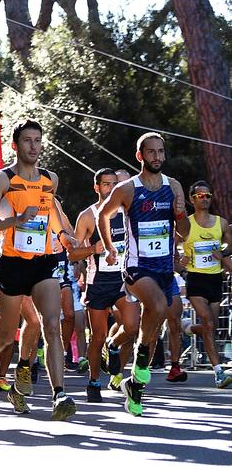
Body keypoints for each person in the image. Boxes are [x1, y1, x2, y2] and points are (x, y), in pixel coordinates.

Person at [0, 119, 78, 420]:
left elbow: (51, 209)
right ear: (15, 145)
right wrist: (15, 220)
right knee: (7, 334)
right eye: (27, 141)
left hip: (43, 262)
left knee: (52, 324)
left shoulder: (50, 179)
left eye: (37, 140)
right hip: (12, 264)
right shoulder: (2, 180)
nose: (33, 146)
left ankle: (60, 395)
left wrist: (62, 234)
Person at [97, 132, 190, 416]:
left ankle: (135, 386)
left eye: (161, 151)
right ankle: (133, 363)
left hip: (164, 269)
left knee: (154, 327)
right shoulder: (128, 189)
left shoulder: (173, 186)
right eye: (151, 152)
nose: (157, 157)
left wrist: (180, 214)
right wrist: (109, 248)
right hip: (137, 267)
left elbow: (184, 232)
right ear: (140, 155)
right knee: (159, 307)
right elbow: (103, 215)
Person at [70, 168, 137, 402]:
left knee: (132, 326)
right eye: (106, 184)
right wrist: (92, 249)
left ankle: (114, 344)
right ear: (96, 187)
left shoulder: (126, 212)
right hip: (97, 283)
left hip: (122, 281)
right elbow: (71, 254)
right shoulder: (88, 216)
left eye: (114, 184)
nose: (111, 188)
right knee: (97, 336)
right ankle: (94, 381)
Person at [177, 180, 232, 388]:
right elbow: (170, 247)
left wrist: (223, 253)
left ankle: (189, 328)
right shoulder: (186, 225)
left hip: (215, 279)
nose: (205, 199)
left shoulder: (221, 223)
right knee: (208, 323)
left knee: (212, 326)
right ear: (192, 199)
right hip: (195, 278)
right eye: (200, 196)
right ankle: (219, 372)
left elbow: (230, 245)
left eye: (208, 195)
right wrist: (180, 263)